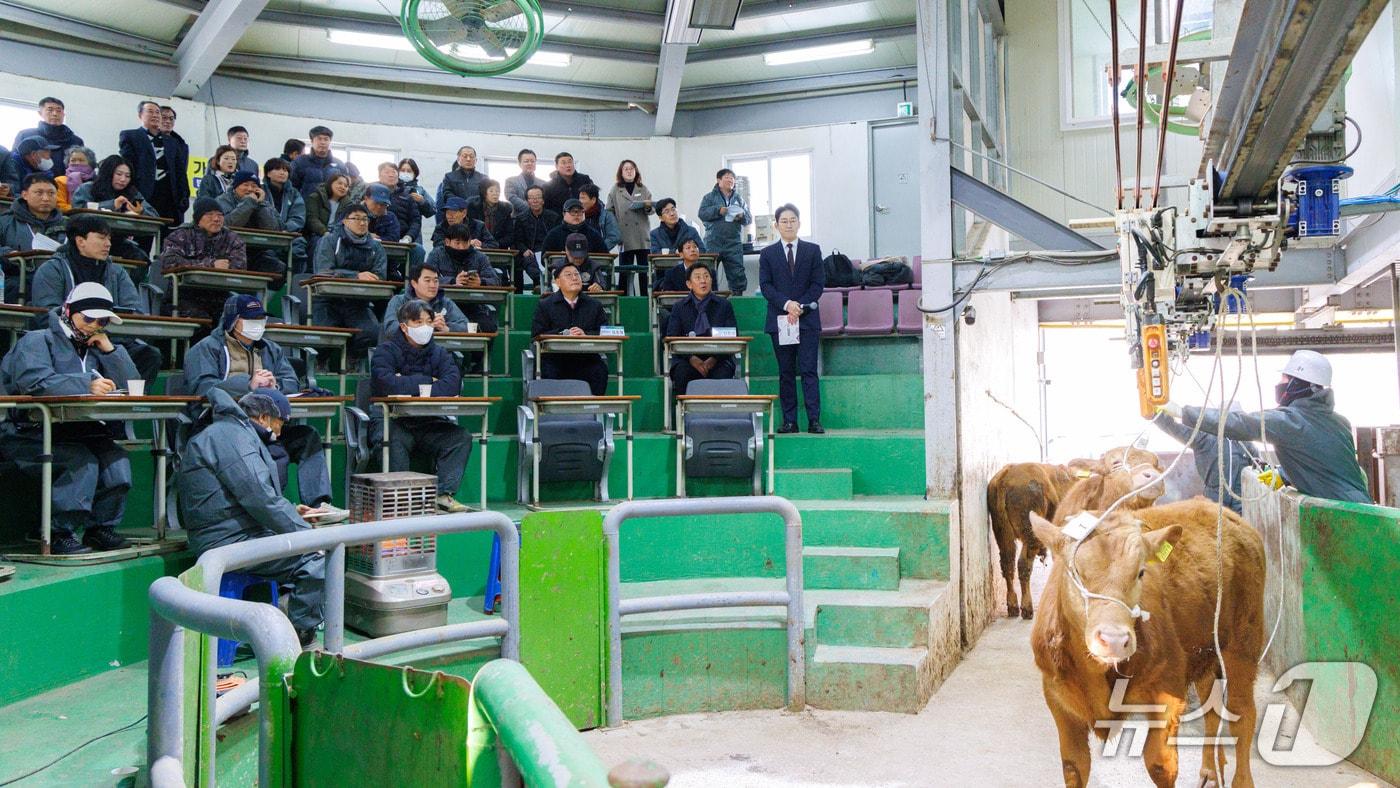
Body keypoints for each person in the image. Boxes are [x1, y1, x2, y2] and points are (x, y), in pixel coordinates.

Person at [178, 385, 327, 646]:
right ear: (263, 418)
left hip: (232, 531)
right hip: (226, 540)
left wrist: (292, 512)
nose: (281, 430)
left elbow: (250, 497)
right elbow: (259, 498)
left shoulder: (230, 432)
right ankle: (298, 636)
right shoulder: (231, 437)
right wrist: (307, 536)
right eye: (281, 421)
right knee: (316, 557)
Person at [185, 294, 349, 523]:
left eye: (261, 318)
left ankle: (316, 506)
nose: (258, 324)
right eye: (252, 319)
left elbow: (291, 381)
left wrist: (275, 387)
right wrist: (248, 384)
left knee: (307, 437)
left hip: (269, 421)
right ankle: (274, 515)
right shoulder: (206, 349)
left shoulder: (270, 349)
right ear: (233, 321)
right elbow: (203, 387)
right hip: (229, 428)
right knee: (274, 451)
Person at [0, 283, 138, 554]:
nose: (95, 326)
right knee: (81, 462)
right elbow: (34, 382)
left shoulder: (98, 346)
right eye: (89, 318)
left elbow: (133, 384)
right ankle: (57, 531)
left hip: (77, 429)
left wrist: (111, 351)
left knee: (116, 462)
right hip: (26, 430)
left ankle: (100, 529)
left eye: (103, 321)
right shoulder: (36, 340)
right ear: (68, 312)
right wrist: (86, 384)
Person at [1162, 349, 1370, 503]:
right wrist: (1285, 475)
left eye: (1284, 378)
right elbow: (1325, 464)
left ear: (1297, 384)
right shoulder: (1339, 421)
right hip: (1361, 507)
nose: (1279, 383)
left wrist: (1182, 412)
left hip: (1342, 514)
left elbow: (1241, 423)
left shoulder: (1289, 422)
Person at [31, 213, 164, 386]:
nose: (108, 243)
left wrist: (103, 335)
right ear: (80, 241)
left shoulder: (117, 272)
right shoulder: (53, 269)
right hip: (66, 340)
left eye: (109, 238)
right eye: (101, 238)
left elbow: (134, 312)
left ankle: (130, 407)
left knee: (149, 354)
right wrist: (83, 332)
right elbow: (45, 314)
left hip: (110, 338)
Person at [370, 299, 473, 513]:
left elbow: (453, 382)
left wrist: (408, 382)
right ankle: (399, 501)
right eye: (418, 322)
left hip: (427, 421)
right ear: (404, 326)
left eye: (428, 321)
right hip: (392, 420)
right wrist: (430, 381)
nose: (424, 327)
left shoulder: (439, 353)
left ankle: (443, 495)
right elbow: (386, 383)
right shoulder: (385, 351)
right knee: (393, 439)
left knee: (460, 437)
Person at [759, 204, 824, 434]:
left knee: (808, 370)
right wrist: (788, 305)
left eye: (792, 220)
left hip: (806, 321)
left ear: (799, 223)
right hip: (781, 320)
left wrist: (800, 307)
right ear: (776, 225)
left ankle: (814, 420)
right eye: (784, 221)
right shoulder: (767, 254)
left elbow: (818, 284)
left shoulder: (813, 250)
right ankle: (789, 421)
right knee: (786, 372)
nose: (788, 224)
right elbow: (766, 286)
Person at [158, 197, 248, 322]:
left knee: (241, 317)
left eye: (220, 215)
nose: (216, 219)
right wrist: (210, 265)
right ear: (198, 219)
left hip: (219, 296)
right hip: (184, 296)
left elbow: (240, 266)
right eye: (210, 215)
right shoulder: (181, 235)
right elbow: (168, 262)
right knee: (200, 319)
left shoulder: (232, 238)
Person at [312, 203, 385, 357]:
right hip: (327, 300)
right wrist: (356, 276)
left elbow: (380, 276)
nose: (362, 223)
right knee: (324, 333)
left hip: (358, 302)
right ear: (344, 221)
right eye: (356, 218)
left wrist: (374, 279)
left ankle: (354, 360)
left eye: (365, 219)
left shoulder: (376, 247)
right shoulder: (329, 241)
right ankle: (320, 363)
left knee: (371, 333)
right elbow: (324, 272)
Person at [1151, 408, 1256, 514]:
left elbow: (1259, 466)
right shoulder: (1205, 438)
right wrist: (1157, 416)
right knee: (1214, 524)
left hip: (1241, 499)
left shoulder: (1247, 444)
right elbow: (1176, 429)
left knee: (1242, 525)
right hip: (1214, 498)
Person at [531, 258, 609, 395]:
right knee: (546, 369)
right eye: (568, 275)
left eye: (577, 274)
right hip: (555, 358)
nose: (574, 278)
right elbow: (536, 335)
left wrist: (586, 335)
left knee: (599, 369)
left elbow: (604, 332)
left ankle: (594, 413)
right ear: (557, 282)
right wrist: (564, 334)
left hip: (585, 358)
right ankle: (550, 414)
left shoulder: (594, 305)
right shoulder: (545, 305)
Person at [665, 263, 738, 395]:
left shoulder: (724, 305)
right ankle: (684, 413)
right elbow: (672, 338)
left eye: (706, 276)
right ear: (689, 284)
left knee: (723, 373)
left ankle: (719, 414)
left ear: (711, 280)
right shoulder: (679, 307)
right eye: (698, 277)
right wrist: (693, 359)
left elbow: (733, 336)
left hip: (719, 359)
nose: (703, 280)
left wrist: (713, 359)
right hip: (687, 359)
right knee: (682, 372)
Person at [72, 154, 162, 260]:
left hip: (117, 240)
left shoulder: (132, 193)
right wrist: (112, 204)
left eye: (128, 176)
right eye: (119, 174)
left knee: (141, 258)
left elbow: (156, 217)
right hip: (88, 239)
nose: (123, 179)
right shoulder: (88, 188)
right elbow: (79, 211)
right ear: (108, 173)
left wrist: (141, 211)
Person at [119, 100, 190, 223]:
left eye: (158, 112)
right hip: (142, 196)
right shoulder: (130, 136)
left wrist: (184, 197)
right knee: (142, 238)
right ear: (140, 115)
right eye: (150, 111)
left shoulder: (172, 142)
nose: (155, 115)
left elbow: (180, 173)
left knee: (169, 239)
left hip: (169, 199)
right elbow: (128, 165)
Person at [216, 171, 289, 286]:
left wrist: (260, 205)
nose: (250, 189)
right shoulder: (223, 200)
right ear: (235, 187)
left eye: (254, 186)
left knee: (279, 268)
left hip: (257, 252)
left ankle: (261, 301)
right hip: (228, 251)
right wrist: (249, 202)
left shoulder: (264, 203)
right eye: (245, 185)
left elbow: (274, 229)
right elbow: (230, 224)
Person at [698, 168, 752, 295]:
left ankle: (737, 303)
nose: (730, 180)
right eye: (727, 177)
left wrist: (741, 217)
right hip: (713, 242)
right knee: (708, 274)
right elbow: (702, 213)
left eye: (732, 178)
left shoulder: (739, 199)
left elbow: (749, 219)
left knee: (737, 275)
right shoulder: (709, 197)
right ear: (718, 180)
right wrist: (718, 210)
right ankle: (710, 303)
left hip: (733, 243)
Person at [383, 263, 472, 339]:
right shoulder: (399, 301)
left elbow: (467, 327)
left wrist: (446, 327)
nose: (433, 285)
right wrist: (423, 324)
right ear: (414, 283)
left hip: (437, 351)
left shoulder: (445, 302)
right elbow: (390, 328)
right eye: (427, 281)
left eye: (436, 281)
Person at [609, 159, 653, 292]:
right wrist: (614, 231)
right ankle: (624, 301)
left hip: (641, 235)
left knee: (644, 272)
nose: (629, 171)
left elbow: (651, 209)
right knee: (625, 271)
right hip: (624, 235)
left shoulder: (643, 188)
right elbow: (609, 211)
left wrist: (647, 206)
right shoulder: (616, 189)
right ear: (621, 172)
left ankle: (646, 300)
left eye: (632, 168)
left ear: (636, 171)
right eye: (626, 169)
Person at [0, 173, 66, 259]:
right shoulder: (5, 222)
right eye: (39, 193)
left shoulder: (67, 224)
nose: (46, 198)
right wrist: (8, 254)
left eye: (51, 193)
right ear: (24, 195)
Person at [262, 157, 309, 273]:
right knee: (266, 254)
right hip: (266, 234)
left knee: (299, 246)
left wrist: (286, 230)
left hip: (288, 235)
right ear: (268, 173)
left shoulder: (294, 193)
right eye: (277, 169)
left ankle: (293, 283)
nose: (282, 172)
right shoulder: (260, 191)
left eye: (285, 170)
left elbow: (298, 217)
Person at [511, 185, 559, 292]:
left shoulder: (553, 217)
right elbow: (517, 240)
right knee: (526, 261)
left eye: (538, 197)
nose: (535, 200)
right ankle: (541, 284)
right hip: (530, 252)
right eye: (532, 198)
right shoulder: (521, 218)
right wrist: (524, 250)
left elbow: (557, 237)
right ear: (527, 201)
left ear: (543, 200)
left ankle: (543, 286)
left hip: (549, 251)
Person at [13, 96, 85, 167]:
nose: (55, 114)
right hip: (32, 178)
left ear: (63, 114)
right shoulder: (26, 135)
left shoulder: (76, 141)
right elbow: (14, 162)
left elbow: (82, 165)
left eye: (59, 111)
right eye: (50, 110)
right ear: (40, 113)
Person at [435, 145, 486, 225]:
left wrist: (472, 202)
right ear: (458, 159)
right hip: (456, 217)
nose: (468, 159)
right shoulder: (449, 177)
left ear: (476, 160)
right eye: (465, 156)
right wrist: (463, 204)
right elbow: (447, 194)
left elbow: (485, 196)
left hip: (478, 218)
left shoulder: (483, 178)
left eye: (471, 156)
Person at [291, 125, 344, 198]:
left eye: (326, 139)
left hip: (332, 207)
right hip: (307, 207)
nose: (323, 142)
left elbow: (345, 188)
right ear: (312, 141)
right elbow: (292, 188)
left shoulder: (339, 165)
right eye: (319, 139)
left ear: (330, 142)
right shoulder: (299, 162)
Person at [390, 158, 435, 244]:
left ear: (415, 173)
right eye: (403, 170)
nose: (405, 173)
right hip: (393, 229)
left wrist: (422, 201)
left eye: (409, 171)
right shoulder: (392, 187)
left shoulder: (420, 190)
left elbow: (433, 210)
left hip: (414, 232)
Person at [542, 199, 607, 257]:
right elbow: (544, 259)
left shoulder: (594, 235)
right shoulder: (553, 235)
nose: (576, 215)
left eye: (579, 212)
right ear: (564, 213)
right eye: (572, 211)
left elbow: (606, 257)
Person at [304, 171, 352, 247]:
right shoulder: (316, 197)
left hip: (338, 236)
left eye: (346, 186)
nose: (343, 187)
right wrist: (324, 232)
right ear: (330, 183)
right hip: (317, 234)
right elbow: (312, 219)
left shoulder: (348, 204)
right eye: (339, 183)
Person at [430, 196, 497, 248]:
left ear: (464, 213)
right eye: (447, 213)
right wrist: (466, 243)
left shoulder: (478, 226)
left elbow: (494, 244)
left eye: (453, 213)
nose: (450, 216)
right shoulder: (441, 227)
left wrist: (480, 244)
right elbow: (437, 244)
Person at [468, 178, 514, 253]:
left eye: (497, 191)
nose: (495, 194)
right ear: (484, 192)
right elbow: (470, 229)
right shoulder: (473, 207)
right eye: (491, 191)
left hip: (499, 248)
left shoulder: (505, 209)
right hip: (476, 248)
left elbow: (510, 235)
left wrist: (495, 245)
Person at [54, 146, 96, 212]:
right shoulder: (60, 181)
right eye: (73, 160)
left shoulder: (96, 181)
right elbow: (59, 205)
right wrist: (81, 209)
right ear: (68, 163)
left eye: (81, 160)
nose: (77, 163)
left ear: (90, 163)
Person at [578, 183, 619, 250]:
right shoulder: (577, 215)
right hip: (579, 255)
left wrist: (599, 248)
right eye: (579, 198)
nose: (580, 201)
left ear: (593, 200)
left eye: (583, 198)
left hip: (600, 257)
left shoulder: (606, 215)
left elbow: (615, 236)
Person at [504, 148, 541, 217]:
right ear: (519, 164)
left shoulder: (543, 183)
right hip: (518, 221)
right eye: (526, 161)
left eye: (532, 161)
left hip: (539, 221)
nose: (530, 163)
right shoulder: (511, 181)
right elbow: (512, 197)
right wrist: (533, 208)